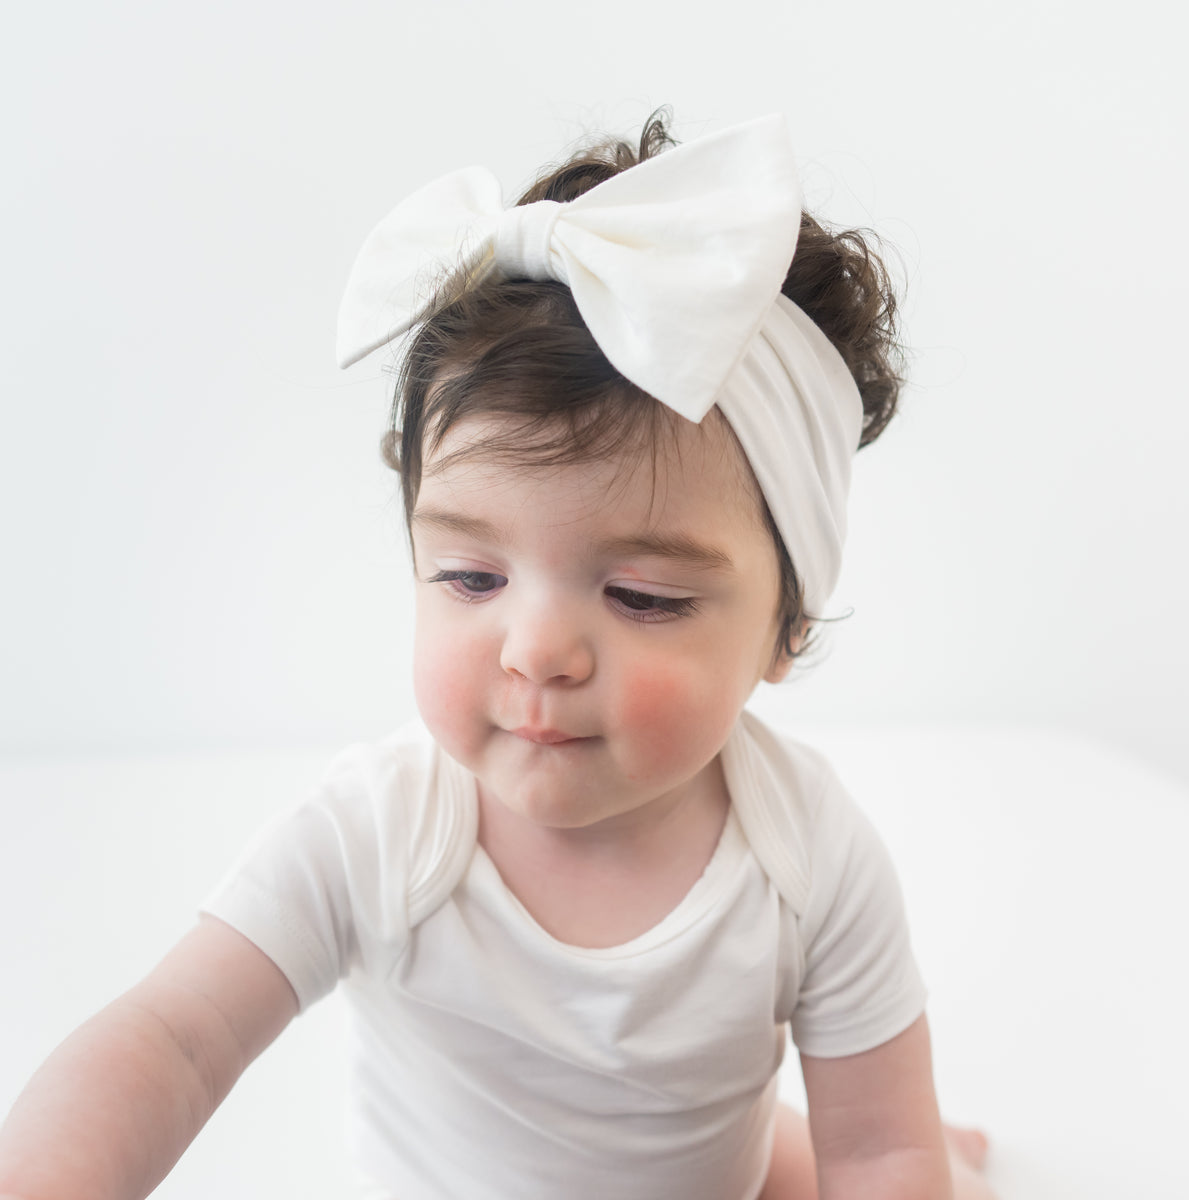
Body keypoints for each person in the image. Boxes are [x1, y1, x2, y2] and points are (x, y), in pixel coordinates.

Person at [0, 112, 998, 1200]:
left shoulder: (808, 860)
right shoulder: (381, 833)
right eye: (472, 579)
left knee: (879, 1167)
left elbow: (878, 1152)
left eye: (641, 596)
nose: (535, 652)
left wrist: (904, 1158)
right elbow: (171, 1040)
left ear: (785, 630)